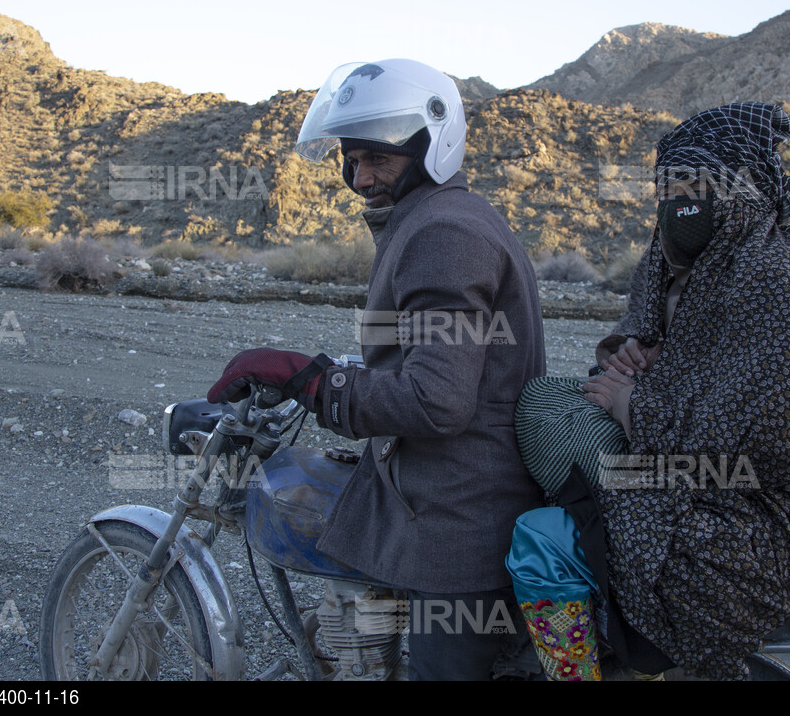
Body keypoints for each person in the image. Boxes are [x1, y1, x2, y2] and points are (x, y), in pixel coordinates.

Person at [506, 102, 790, 680]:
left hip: (763, 510)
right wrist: (636, 356)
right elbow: (653, 344)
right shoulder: (677, 259)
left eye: (696, 185)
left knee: (539, 539)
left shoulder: (782, 283)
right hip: (692, 464)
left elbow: (768, 442)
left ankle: (585, 662)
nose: (679, 201)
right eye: (670, 186)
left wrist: (633, 403)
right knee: (546, 404)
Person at [207, 59, 546, 680]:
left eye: (378, 160)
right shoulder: (439, 217)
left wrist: (310, 380)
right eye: (352, 160)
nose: (360, 179)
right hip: (448, 498)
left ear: (428, 146)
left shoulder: (443, 233)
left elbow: (437, 400)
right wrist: (333, 373)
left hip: (456, 527)